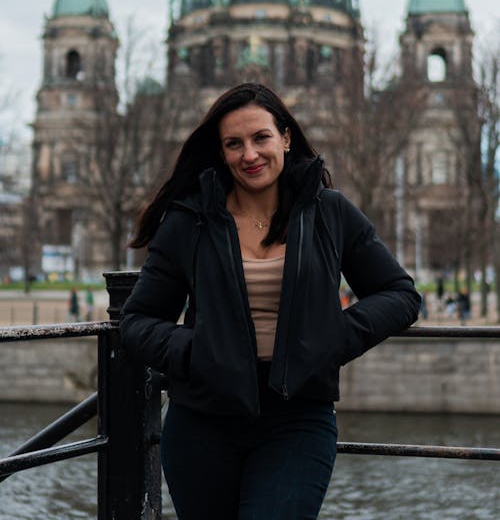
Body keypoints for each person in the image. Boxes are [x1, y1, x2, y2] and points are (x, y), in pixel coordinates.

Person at [120, 83, 421, 520]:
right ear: (220, 153)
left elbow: (401, 294)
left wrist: (332, 337)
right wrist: (196, 352)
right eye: (234, 144)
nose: (249, 154)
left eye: (261, 138)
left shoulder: (330, 213)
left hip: (298, 417)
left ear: (285, 137)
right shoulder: (190, 221)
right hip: (202, 420)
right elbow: (138, 321)